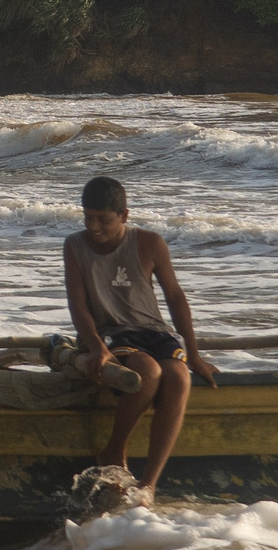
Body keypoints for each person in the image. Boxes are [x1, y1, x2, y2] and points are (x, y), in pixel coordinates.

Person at [64, 176, 217, 501]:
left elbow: (175, 297)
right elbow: (77, 306)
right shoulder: (75, 246)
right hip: (110, 333)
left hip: (154, 332)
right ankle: (114, 450)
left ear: (124, 216)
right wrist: (97, 347)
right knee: (147, 373)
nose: (93, 226)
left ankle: (149, 482)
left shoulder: (149, 243)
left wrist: (194, 354)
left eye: (103, 219)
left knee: (178, 378)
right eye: (87, 217)